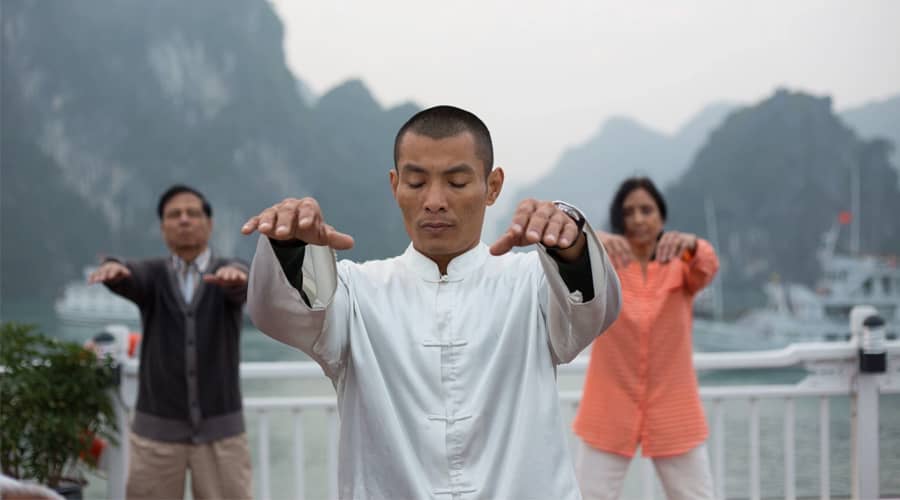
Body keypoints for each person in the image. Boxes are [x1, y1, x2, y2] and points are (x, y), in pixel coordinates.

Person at [242, 105, 622, 499]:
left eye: (457, 182)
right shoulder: (356, 292)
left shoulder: (532, 282)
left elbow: (593, 310)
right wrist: (290, 246)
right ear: (395, 185)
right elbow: (285, 314)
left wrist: (570, 242)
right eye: (417, 182)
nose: (435, 201)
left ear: (493, 186)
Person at [88, 185, 253, 500]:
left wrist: (238, 276)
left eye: (193, 213)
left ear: (209, 223)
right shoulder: (153, 275)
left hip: (222, 437)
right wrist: (115, 269)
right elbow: (131, 274)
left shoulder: (227, 271)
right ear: (163, 227)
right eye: (174, 215)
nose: (184, 220)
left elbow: (241, 282)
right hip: (156, 437)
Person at [572, 177, 719, 500]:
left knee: (695, 495)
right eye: (629, 212)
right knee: (589, 495)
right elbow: (568, 257)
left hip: (674, 407)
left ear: (661, 218)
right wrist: (594, 238)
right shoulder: (606, 264)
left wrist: (692, 244)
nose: (638, 219)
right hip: (609, 405)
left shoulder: (682, 266)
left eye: (646, 210)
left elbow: (708, 265)